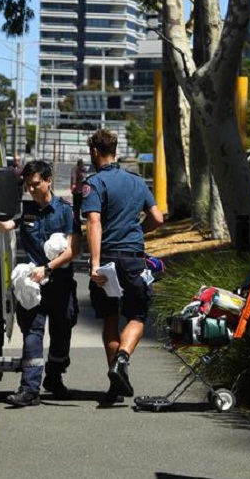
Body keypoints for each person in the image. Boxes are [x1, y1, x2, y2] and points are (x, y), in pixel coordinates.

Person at [81, 129, 164, 404]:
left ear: (95, 151)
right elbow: (157, 218)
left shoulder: (94, 183)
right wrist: (139, 230)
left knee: (110, 317)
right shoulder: (137, 182)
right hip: (132, 258)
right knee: (137, 315)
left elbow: (94, 222)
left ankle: (115, 384)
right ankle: (122, 360)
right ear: (114, 150)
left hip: (106, 259)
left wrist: (94, 265)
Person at [0, 160, 81, 407]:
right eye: (27, 185)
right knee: (32, 333)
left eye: (36, 184)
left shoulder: (65, 211)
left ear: (48, 180)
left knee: (61, 335)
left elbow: (73, 249)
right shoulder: (25, 209)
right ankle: (29, 390)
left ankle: (54, 377)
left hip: (60, 283)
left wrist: (48, 268)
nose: (31, 189)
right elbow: (6, 226)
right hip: (32, 283)